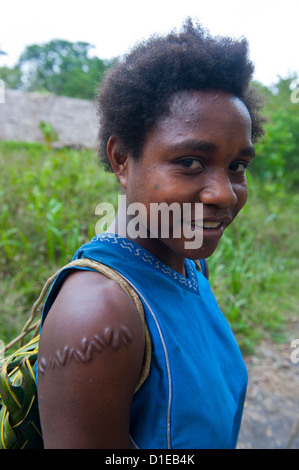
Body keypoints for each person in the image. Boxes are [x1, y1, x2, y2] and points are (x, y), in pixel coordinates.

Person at [37, 19, 265, 449]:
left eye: (237, 166)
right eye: (191, 162)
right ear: (122, 158)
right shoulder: (98, 313)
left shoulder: (191, 264)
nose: (225, 194)